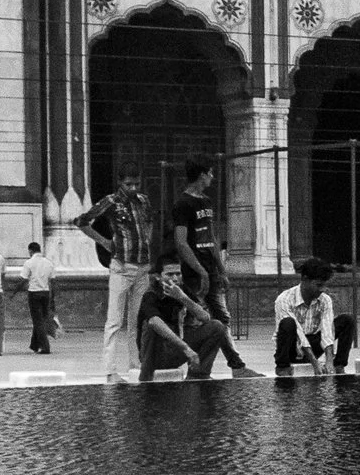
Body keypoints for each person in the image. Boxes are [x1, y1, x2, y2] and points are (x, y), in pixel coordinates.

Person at [78, 171, 156, 382]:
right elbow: (83, 221)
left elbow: (150, 221)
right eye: (129, 184)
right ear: (120, 182)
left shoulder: (143, 200)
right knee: (114, 321)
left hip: (142, 267)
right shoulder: (111, 201)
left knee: (137, 321)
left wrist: (147, 241)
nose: (133, 188)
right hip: (121, 266)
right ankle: (111, 371)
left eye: (137, 183)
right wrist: (103, 242)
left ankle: (135, 365)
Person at [138, 270, 250, 382]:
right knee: (152, 327)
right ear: (158, 277)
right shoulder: (150, 295)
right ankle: (146, 378)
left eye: (178, 274)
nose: (175, 278)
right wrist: (186, 348)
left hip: (175, 351)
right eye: (170, 275)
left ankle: (198, 376)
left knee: (216, 326)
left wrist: (182, 297)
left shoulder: (181, 290)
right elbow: (154, 322)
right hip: (154, 355)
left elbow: (205, 317)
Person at [273, 255, 356, 376]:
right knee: (288, 323)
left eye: (324, 285)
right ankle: (282, 367)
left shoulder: (324, 300)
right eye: (318, 285)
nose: (322, 289)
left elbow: (328, 331)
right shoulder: (284, 299)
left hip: (313, 343)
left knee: (347, 320)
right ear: (305, 280)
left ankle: (339, 365)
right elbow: (298, 334)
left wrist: (329, 360)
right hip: (291, 347)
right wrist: (314, 362)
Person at [169, 155, 229, 321]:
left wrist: (221, 270)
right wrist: (201, 272)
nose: (212, 177)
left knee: (222, 318)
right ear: (202, 175)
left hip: (211, 269)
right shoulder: (183, 204)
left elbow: (212, 238)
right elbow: (181, 243)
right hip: (194, 272)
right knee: (194, 316)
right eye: (210, 173)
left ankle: (228, 348)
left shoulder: (207, 201)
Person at [22, 241, 58, 354]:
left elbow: (23, 279)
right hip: (46, 293)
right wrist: (53, 298)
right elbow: (53, 281)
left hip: (34, 293)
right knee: (41, 319)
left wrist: (14, 291)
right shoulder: (48, 263)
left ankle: (45, 346)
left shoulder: (29, 263)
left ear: (31, 251)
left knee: (38, 321)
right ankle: (34, 344)